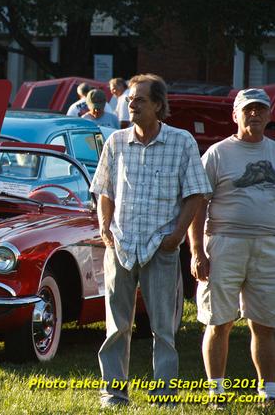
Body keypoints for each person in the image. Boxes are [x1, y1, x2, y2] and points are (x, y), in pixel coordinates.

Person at [90, 73, 211, 407]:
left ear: (158, 105)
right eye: (130, 99)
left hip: (161, 247)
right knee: (116, 326)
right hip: (121, 245)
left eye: (140, 99)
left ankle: (165, 394)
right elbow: (104, 190)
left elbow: (196, 195)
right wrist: (105, 227)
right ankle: (113, 393)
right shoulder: (116, 141)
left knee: (164, 329)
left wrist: (175, 238)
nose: (132, 104)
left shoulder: (182, 141)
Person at [188, 88, 275, 404]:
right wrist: (197, 251)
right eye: (248, 110)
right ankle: (217, 392)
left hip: (269, 247)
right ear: (235, 115)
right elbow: (197, 203)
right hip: (225, 245)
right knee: (218, 321)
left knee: (266, 323)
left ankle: (268, 392)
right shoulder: (217, 154)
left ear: (269, 115)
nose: (254, 115)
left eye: (260, 110)